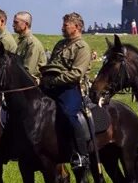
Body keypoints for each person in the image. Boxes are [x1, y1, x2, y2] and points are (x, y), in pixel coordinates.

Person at [40, 12, 92, 170]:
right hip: (51, 85)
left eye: (65, 25)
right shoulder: (60, 44)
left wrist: (55, 81)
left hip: (70, 88)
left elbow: (76, 73)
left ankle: (82, 154)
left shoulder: (82, 47)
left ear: (76, 27)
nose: (62, 28)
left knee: (69, 113)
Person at [13, 11, 47, 83]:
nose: (13, 25)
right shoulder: (21, 41)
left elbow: (28, 72)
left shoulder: (32, 43)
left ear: (26, 24)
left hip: (31, 85)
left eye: (16, 22)